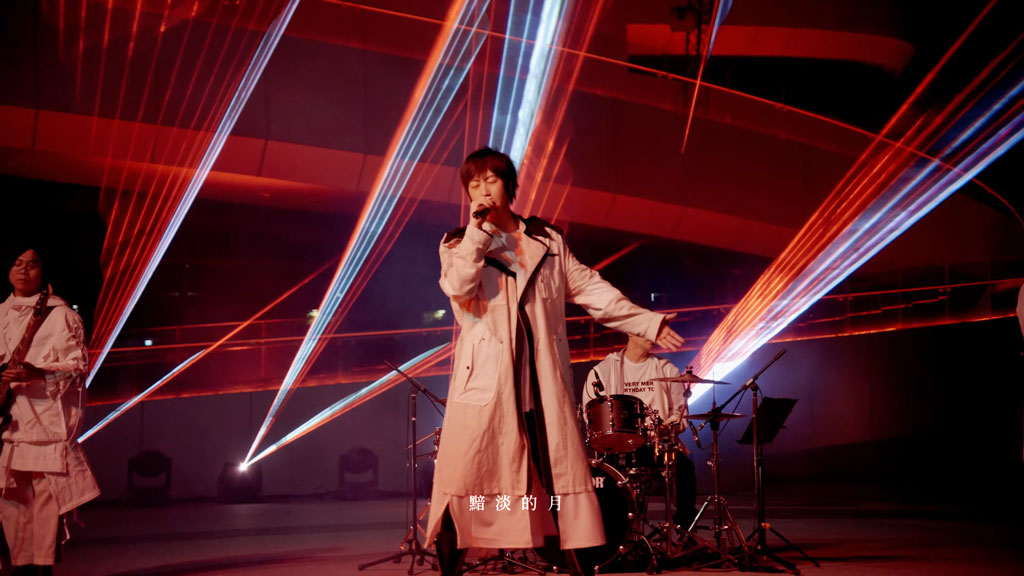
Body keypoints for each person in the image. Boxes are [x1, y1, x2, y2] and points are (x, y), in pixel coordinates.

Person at [424, 147, 684, 576]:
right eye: (474, 184)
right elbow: (458, 287)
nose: (483, 190)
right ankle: (450, 569)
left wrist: (646, 322)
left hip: (541, 386)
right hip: (485, 388)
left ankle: (577, 568)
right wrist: (476, 234)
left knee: (558, 483)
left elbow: (590, 289)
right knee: (464, 478)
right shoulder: (458, 243)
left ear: (509, 185)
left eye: (491, 180)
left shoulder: (547, 240)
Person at [0, 246, 100, 575]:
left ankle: (41, 568)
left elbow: (77, 370)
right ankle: (19, 567)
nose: (23, 270)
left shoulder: (62, 316)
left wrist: (37, 374)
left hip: (45, 426)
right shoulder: (0, 314)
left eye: (32, 264)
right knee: (11, 506)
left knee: (44, 506)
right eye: (17, 263)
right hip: (8, 428)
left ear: (44, 270)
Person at [582, 333, 698, 528]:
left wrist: (666, 427)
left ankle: (684, 530)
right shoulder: (601, 371)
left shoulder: (667, 369)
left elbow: (680, 416)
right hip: (615, 447)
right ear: (629, 330)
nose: (652, 334)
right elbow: (591, 415)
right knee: (601, 478)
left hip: (655, 445)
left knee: (684, 467)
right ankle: (614, 529)